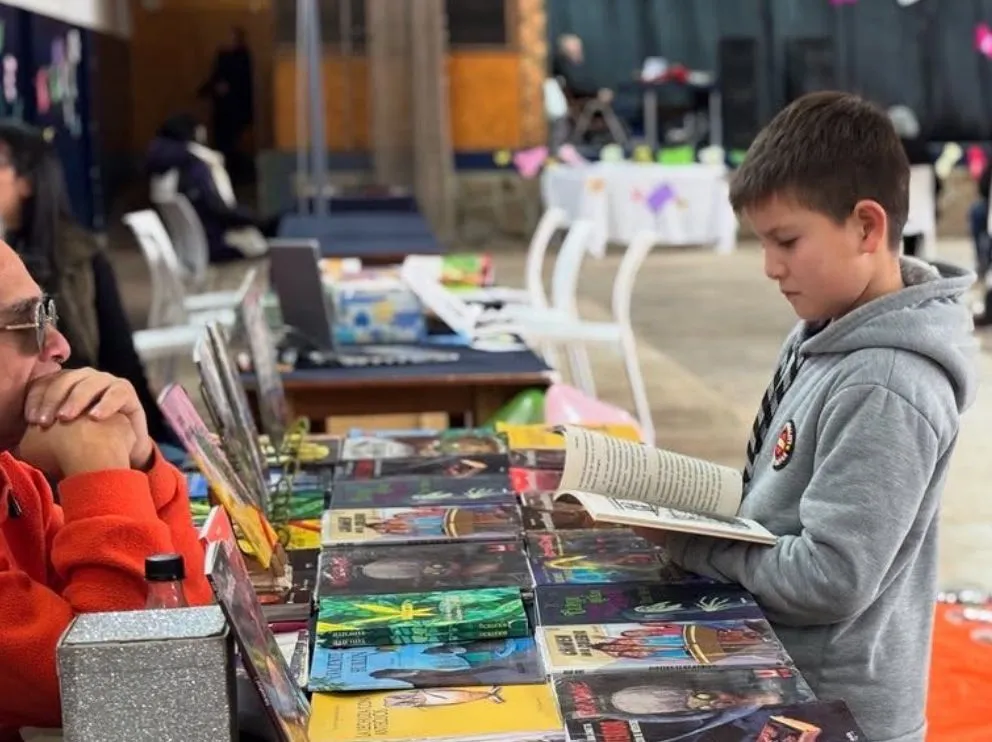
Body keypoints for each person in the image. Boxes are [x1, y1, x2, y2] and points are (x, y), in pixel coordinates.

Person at [656, 92, 978, 742]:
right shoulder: (824, 328)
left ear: (867, 227)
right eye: (762, 242)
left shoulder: (888, 383)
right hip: (783, 667)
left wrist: (698, 547)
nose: (771, 267)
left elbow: (831, 579)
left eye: (787, 241)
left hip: (835, 710)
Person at [0, 239, 212, 735]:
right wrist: (100, 472)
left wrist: (137, 463)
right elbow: (127, 698)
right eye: (26, 324)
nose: (59, 346)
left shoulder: (15, 483)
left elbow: (185, 640)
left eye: (47, 314)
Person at [0, 121, 180, 449]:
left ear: (26, 181)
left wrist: (143, 444)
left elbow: (97, 358)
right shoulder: (16, 248)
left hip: (93, 416)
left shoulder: (72, 257)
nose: (56, 344)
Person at [146, 113, 270, 264]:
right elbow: (216, 208)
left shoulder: (166, 166)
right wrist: (256, 220)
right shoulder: (195, 164)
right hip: (214, 244)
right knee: (267, 239)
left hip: (189, 247)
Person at [198, 27, 254, 180]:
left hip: (232, 109)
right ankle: (230, 174)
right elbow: (217, 79)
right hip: (227, 109)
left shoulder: (237, 58)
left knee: (228, 143)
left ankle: (231, 174)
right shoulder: (230, 57)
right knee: (225, 143)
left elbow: (238, 83)